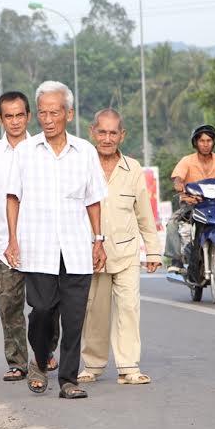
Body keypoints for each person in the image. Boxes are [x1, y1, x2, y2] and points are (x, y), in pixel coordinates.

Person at [5, 81, 107, 399]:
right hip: (38, 249)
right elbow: (12, 198)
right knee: (43, 311)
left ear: (69, 113)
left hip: (77, 248)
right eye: (43, 113)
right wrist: (12, 240)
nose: (48, 119)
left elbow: (93, 200)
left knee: (75, 317)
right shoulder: (25, 151)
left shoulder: (85, 152)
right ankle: (39, 359)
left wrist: (98, 240)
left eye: (54, 112)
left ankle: (68, 380)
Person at [0, 91, 60, 383]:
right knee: (8, 303)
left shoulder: (44, 149)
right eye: (8, 116)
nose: (14, 121)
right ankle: (18, 362)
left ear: (29, 116)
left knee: (46, 304)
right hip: (3, 246)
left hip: (41, 241)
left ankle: (44, 351)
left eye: (20, 115)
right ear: (0, 119)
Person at [78, 109, 162, 386]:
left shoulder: (133, 169)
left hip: (126, 252)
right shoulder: (81, 166)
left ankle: (129, 368)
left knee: (129, 308)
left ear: (122, 135)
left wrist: (153, 250)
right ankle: (92, 365)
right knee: (95, 311)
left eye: (113, 132)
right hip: (92, 254)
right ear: (92, 132)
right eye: (102, 132)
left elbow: (144, 214)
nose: (107, 138)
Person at [164, 125, 215, 277]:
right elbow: (178, 178)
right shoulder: (186, 161)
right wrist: (178, 183)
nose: (206, 144)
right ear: (195, 142)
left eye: (209, 140)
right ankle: (176, 260)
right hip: (192, 205)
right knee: (172, 224)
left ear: (213, 142)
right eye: (202, 141)